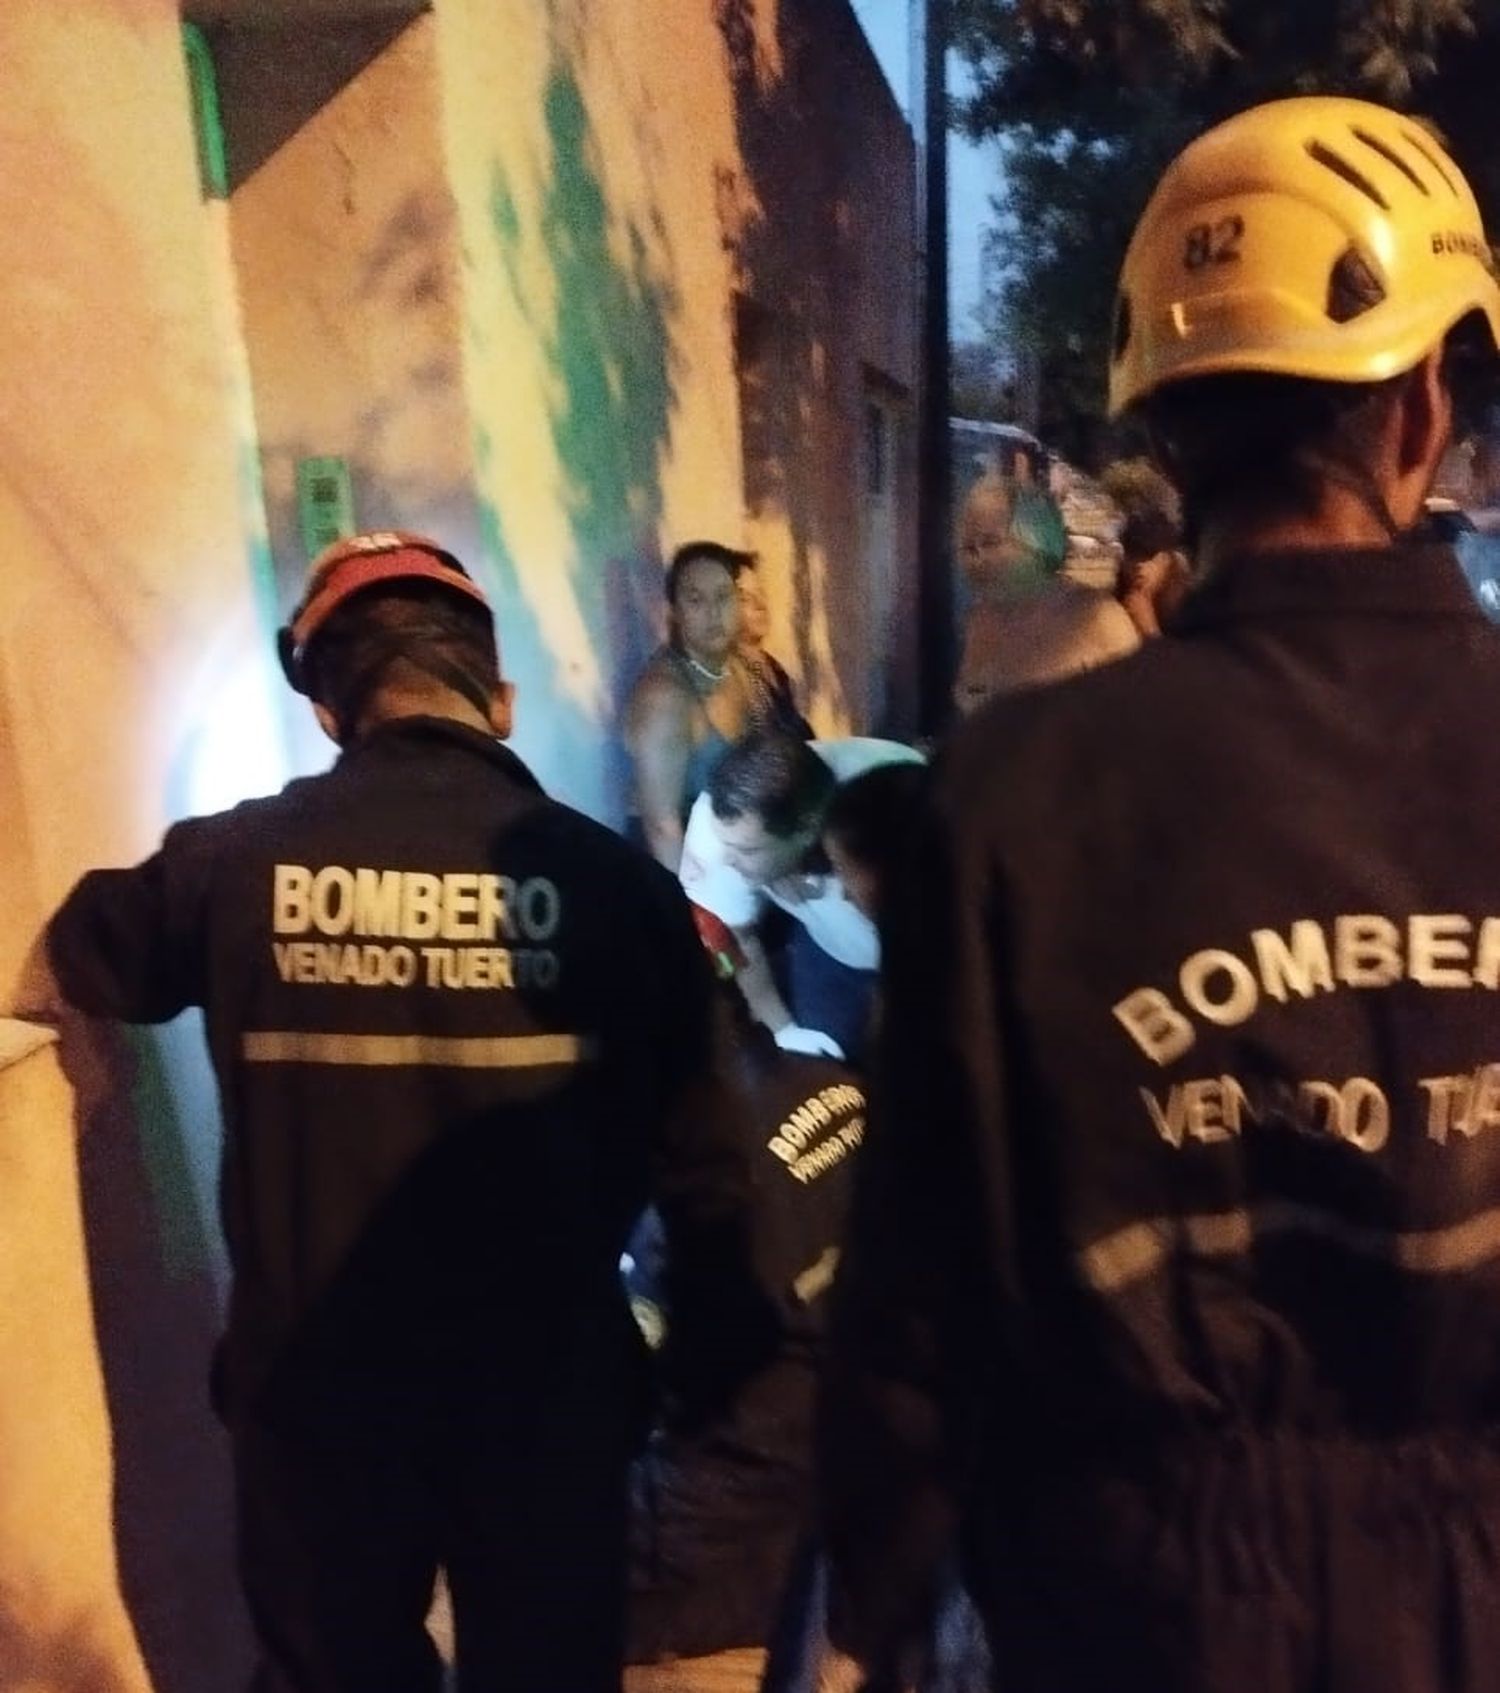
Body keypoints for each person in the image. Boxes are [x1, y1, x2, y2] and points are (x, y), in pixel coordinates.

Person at [818, 97, 1500, 1693]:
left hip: (1141, 1608)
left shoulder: (1014, 794)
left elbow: (922, 1290)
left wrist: (886, 1590)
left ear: (1169, 439)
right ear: (1418, 414)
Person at [46, 531, 764, 1693]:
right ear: (504, 699)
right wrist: (704, 1375)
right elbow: (713, 1174)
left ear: (330, 713)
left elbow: (88, 951)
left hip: (324, 1407)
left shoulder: (236, 863)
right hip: (548, 1400)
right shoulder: (620, 889)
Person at [623, 993, 866, 1693]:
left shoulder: (697, 1179)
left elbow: (669, 1384)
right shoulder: (841, 1084)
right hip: (871, 1421)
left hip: (758, 1458)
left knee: (539, 1556)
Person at [680, 732, 923, 1065]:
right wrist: (781, 1029)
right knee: (829, 1068)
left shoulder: (889, 803)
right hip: (829, 953)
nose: (727, 861)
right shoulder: (716, 835)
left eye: (748, 850)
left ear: (806, 829)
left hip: (923, 949)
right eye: (727, 845)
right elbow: (734, 944)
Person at [625, 541, 760, 871]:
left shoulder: (739, 666)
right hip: (678, 869)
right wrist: (690, 917)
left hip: (733, 858)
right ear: (674, 612)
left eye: (724, 597)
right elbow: (662, 827)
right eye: (696, 600)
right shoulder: (665, 697)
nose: (714, 613)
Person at [737, 557, 813, 739]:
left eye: (761, 593)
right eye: (745, 598)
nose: (760, 605)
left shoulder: (775, 669)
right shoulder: (730, 677)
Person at [1116, 507, 1193, 637]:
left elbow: (1194, 656)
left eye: (1149, 557)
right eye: (1132, 555)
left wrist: (1149, 628)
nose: (1139, 565)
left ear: (1167, 561)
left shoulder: (1189, 606)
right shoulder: (1113, 601)